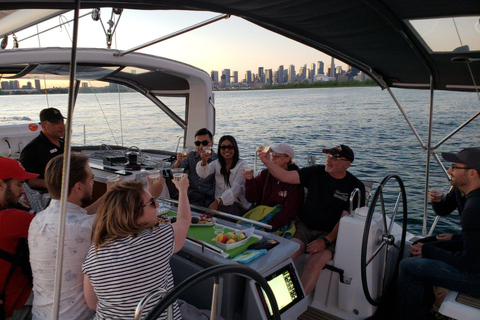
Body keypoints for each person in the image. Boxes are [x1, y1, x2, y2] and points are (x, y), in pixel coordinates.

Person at [28, 153, 164, 320]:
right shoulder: (88, 228)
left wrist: (107, 196)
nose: (92, 184)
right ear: (78, 187)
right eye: (91, 180)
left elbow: (79, 215)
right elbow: (135, 222)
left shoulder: (37, 221)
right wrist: (151, 195)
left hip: (40, 315)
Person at [259, 144, 365, 295]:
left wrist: (326, 241)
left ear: (347, 164)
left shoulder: (355, 187)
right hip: (305, 228)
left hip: (331, 234)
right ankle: (275, 298)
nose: (329, 160)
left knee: (316, 261)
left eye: (335, 158)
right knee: (287, 253)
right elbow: (285, 176)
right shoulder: (316, 172)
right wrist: (267, 162)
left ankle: (295, 303)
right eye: (328, 156)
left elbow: (343, 221)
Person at [82, 175, 191, 319]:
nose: (157, 206)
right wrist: (183, 190)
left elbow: (92, 304)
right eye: (152, 202)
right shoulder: (159, 237)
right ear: (134, 214)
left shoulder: (94, 252)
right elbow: (184, 221)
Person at [396, 147, 480, 320]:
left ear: (472, 173)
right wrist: (452, 238)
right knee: (424, 245)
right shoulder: (466, 194)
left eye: (454, 167)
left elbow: (470, 264)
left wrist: (429, 252)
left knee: (409, 267)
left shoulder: (474, 208)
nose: (449, 171)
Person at [0, 158, 39, 320]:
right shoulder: (11, 219)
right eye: (19, 184)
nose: (23, 190)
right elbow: (65, 226)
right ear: (1, 185)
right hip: (15, 306)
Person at [242, 143, 303, 232]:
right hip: (261, 218)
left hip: (279, 224)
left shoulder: (295, 179)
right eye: (272, 156)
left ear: (288, 158)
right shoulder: (265, 174)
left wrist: (267, 227)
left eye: (276, 157)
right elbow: (251, 198)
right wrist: (249, 180)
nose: (273, 159)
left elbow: (289, 211)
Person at [196, 135, 249, 216]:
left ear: (235, 148)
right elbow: (203, 174)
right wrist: (204, 161)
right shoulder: (217, 163)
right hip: (218, 203)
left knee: (213, 214)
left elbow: (236, 189)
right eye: (223, 147)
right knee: (199, 208)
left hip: (237, 204)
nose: (226, 150)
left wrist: (218, 201)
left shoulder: (242, 165)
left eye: (230, 147)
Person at [19, 108, 66, 191]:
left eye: (62, 121)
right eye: (56, 123)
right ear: (44, 125)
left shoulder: (64, 144)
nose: (62, 126)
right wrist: (55, 185)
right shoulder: (32, 149)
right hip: (47, 195)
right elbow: (27, 180)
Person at [173, 128, 217, 207]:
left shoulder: (217, 160)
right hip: (191, 194)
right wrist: (178, 162)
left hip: (207, 197)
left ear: (212, 143)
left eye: (204, 143)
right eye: (197, 143)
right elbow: (176, 172)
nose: (201, 146)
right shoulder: (191, 156)